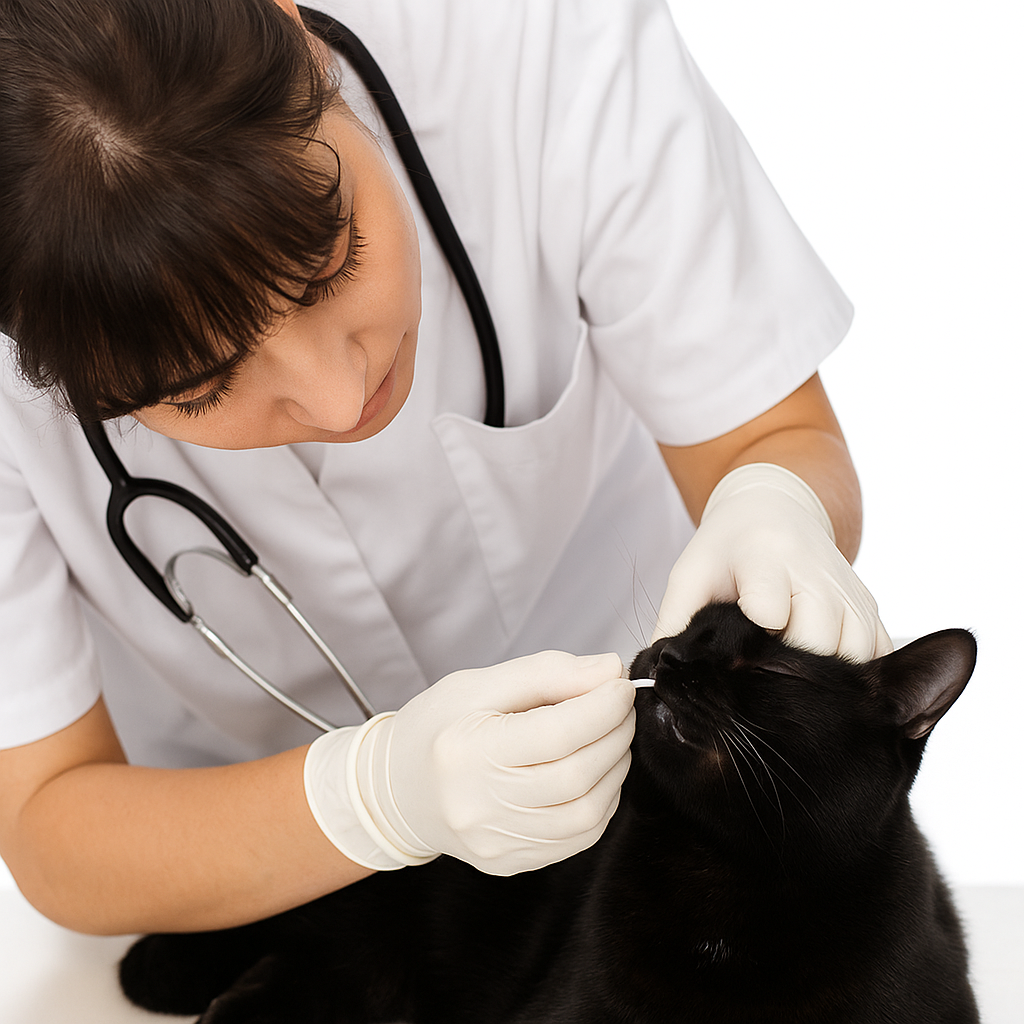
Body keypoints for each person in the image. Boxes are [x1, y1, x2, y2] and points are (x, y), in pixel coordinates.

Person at [0, 0, 890, 937]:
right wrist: (372, 799)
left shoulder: (529, 34)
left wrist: (776, 504)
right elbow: (47, 824)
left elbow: (768, 436)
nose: (341, 399)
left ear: (297, 32)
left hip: (651, 812)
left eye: (328, 262)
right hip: (252, 892)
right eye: (200, 385)